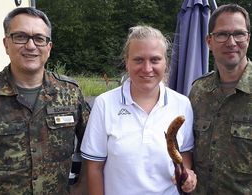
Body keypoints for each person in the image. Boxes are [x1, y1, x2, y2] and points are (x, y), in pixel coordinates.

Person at [81, 25, 197, 195]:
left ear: (166, 63)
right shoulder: (104, 104)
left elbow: (184, 152)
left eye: (155, 60)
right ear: (126, 62)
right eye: (138, 60)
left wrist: (187, 175)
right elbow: (94, 168)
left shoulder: (182, 104)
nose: (147, 68)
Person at [0, 7, 89, 194]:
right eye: (20, 36)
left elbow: (94, 148)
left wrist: (82, 186)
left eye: (39, 38)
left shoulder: (70, 93)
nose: (30, 46)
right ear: (6, 44)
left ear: (49, 47)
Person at [189, 4, 252, 195]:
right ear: (209, 41)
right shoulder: (198, 91)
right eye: (222, 34)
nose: (231, 42)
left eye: (239, 34)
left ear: (248, 39)